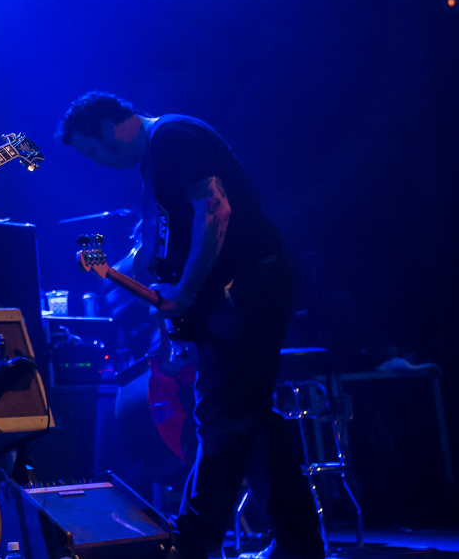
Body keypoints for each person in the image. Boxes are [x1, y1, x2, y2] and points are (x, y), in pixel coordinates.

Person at [56, 92, 324, 559]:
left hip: (247, 287)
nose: (97, 163)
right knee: (253, 421)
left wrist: (185, 293)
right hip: (237, 290)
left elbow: (215, 213)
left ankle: (191, 545)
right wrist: (107, 272)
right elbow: (158, 251)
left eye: (93, 152)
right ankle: (299, 545)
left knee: (220, 416)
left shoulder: (174, 136)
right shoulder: (156, 162)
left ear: (104, 128)